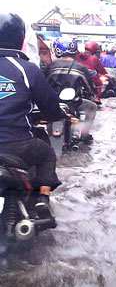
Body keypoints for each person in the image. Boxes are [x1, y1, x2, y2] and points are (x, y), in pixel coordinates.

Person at [0, 13, 65, 224]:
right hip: (18, 145)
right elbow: (51, 108)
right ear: (21, 38)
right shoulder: (27, 69)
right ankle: (43, 199)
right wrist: (57, 116)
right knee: (46, 152)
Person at [44, 38, 98, 141]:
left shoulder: (50, 67)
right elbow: (91, 89)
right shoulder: (81, 68)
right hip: (73, 103)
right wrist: (94, 92)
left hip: (53, 103)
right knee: (92, 107)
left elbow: (42, 85)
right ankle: (84, 134)